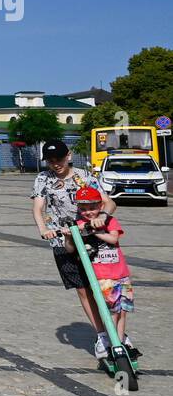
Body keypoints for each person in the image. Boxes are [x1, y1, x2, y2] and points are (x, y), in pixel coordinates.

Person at [32, 138, 115, 339]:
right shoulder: (43, 179)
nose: (55, 164)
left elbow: (109, 203)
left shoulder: (85, 177)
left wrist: (103, 217)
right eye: (50, 160)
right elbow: (38, 207)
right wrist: (44, 229)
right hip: (62, 240)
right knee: (82, 289)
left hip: (91, 238)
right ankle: (102, 335)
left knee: (104, 286)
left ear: (68, 156)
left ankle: (117, 333)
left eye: (59, 158)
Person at [68, 187, 142, 362]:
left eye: (92, 208)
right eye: (83, 209)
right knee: (112, 311)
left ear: (100, 205)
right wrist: (70, 235)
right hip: (102, 276)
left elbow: (114, 239)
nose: (88, 212)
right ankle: (112, 343)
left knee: (122, 310)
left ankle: (120, 343)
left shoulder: (109, 221)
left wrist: (98, 231)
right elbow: (71, 247)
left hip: (121, 274)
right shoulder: (78, 225)